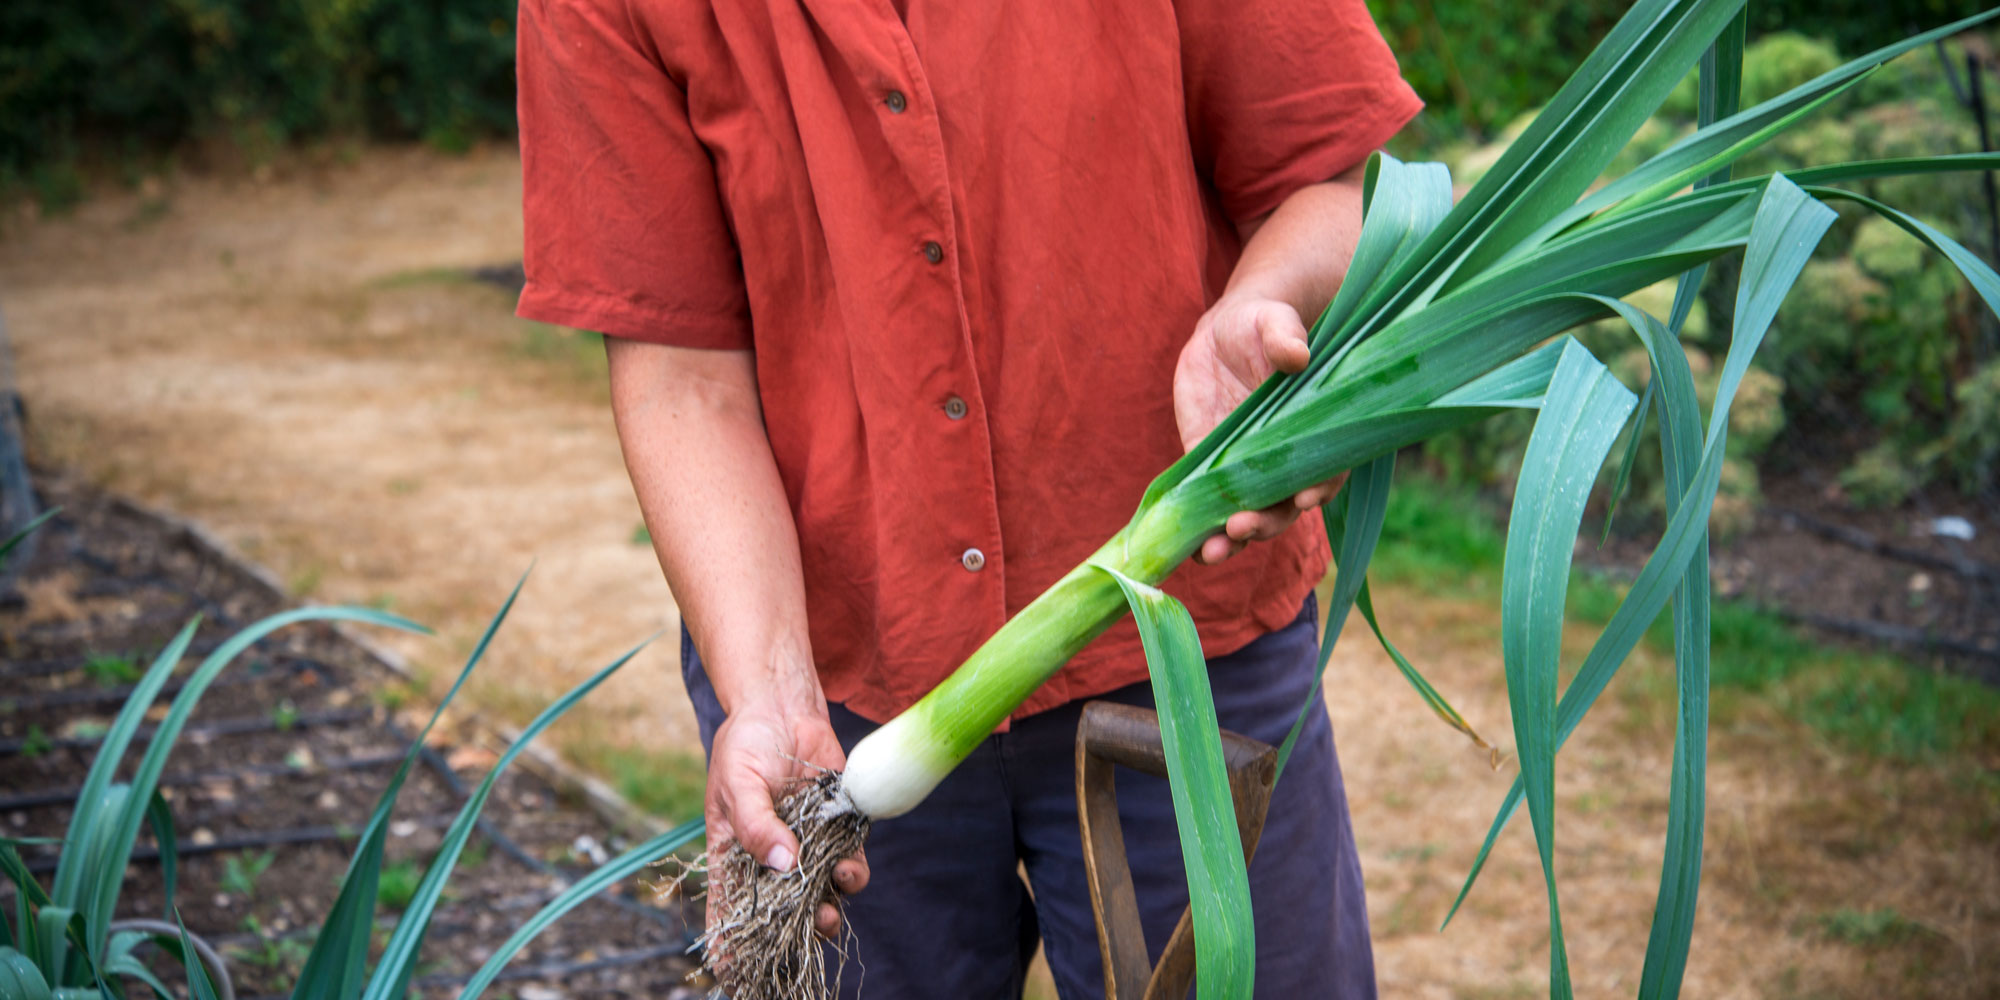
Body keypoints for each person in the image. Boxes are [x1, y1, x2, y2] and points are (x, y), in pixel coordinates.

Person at [514, 1, 1421, 996]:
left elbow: (1323, 185)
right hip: (834, 684)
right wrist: (768, 693)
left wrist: (1270, 303)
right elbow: (681, 372)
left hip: (1186, 654)